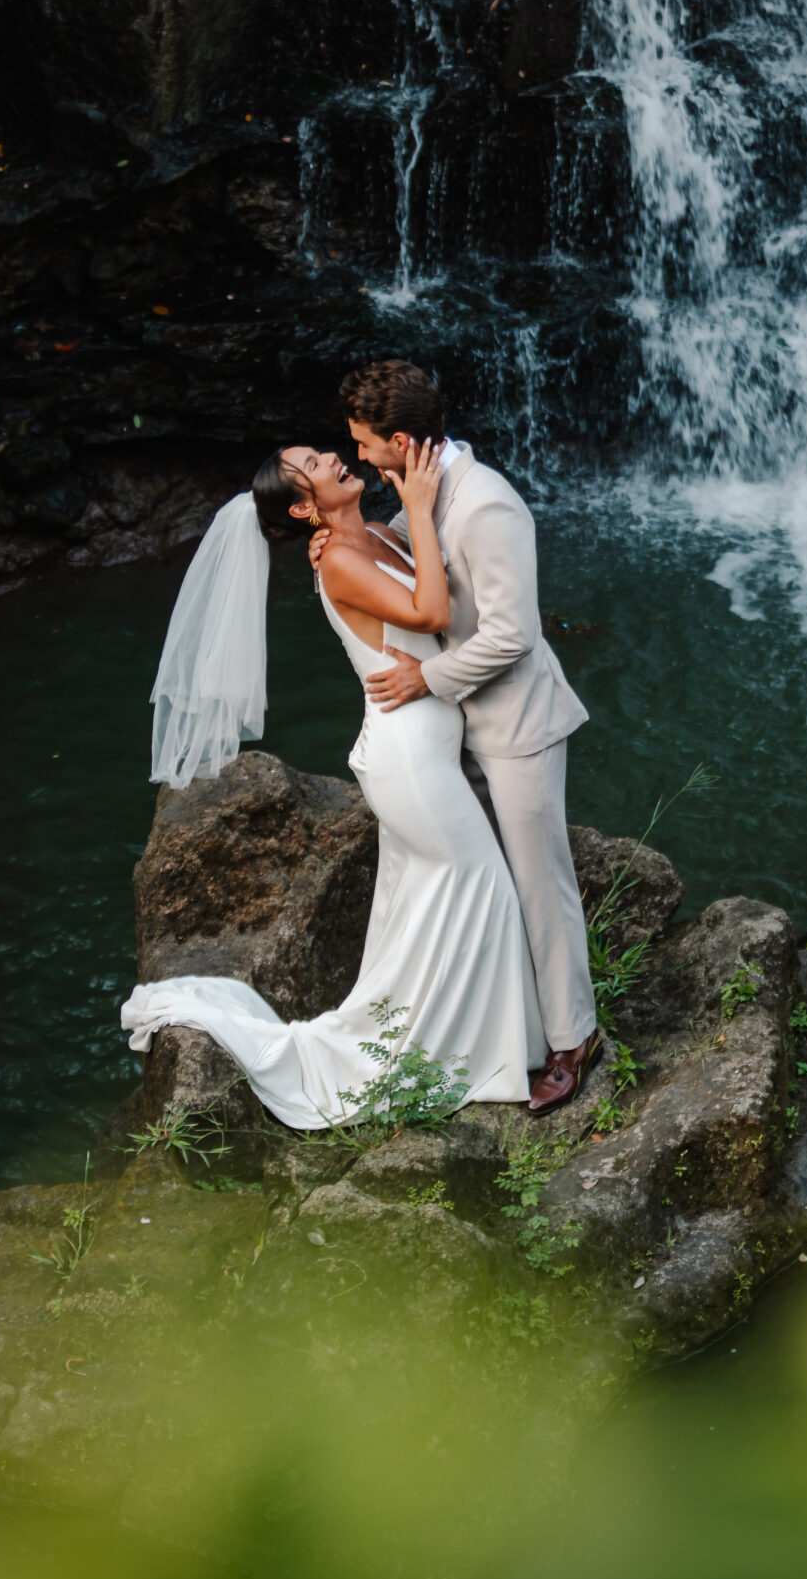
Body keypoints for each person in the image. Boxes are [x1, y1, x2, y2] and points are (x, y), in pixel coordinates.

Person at [120, 439, 545, 1124]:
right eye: (313, 465)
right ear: (302, 506)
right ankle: (475, 1057)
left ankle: (455, 1048)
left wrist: (411, 513)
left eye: (321, 451)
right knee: (482, 888)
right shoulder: (342, 562)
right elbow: (432, 615)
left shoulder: (369, 535)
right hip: (409, 758)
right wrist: (416, 501)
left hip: (426, 748)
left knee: (428, 911)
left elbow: (431, 577)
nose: (329, 456)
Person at [324, 358, 600, 1116]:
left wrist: (425, 681)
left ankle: (573, 1042)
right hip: (457, 733)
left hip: (514, 726)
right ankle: (492, 1031)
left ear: (403, 440)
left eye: (366, 445)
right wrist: (342, 538)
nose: (360, 459)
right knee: (490, 886)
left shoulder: (486, 507)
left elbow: (513, 634)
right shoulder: (423, 492)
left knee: (540, 885)